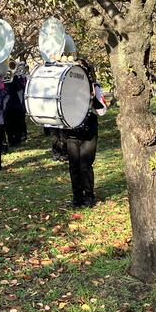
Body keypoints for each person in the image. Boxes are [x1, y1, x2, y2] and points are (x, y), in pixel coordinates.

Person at [64, 59, 107, 207]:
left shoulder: (95, 87)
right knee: (73, 166)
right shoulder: (66, 88)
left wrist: (92, 97)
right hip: (72, 132)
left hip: (89, 131)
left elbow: (102, 112)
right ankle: (77, 197)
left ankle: (89, 196)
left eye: (81, 67)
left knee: (85, 164)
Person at [4, 72, 27, 149]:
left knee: (18, 123)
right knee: (8, 124)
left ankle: (17, 140)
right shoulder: (1, 77)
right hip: (6, 104)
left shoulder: (17, 77)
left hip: (17, 104)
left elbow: (20, 87)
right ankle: (11, 140)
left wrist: (14, 76)